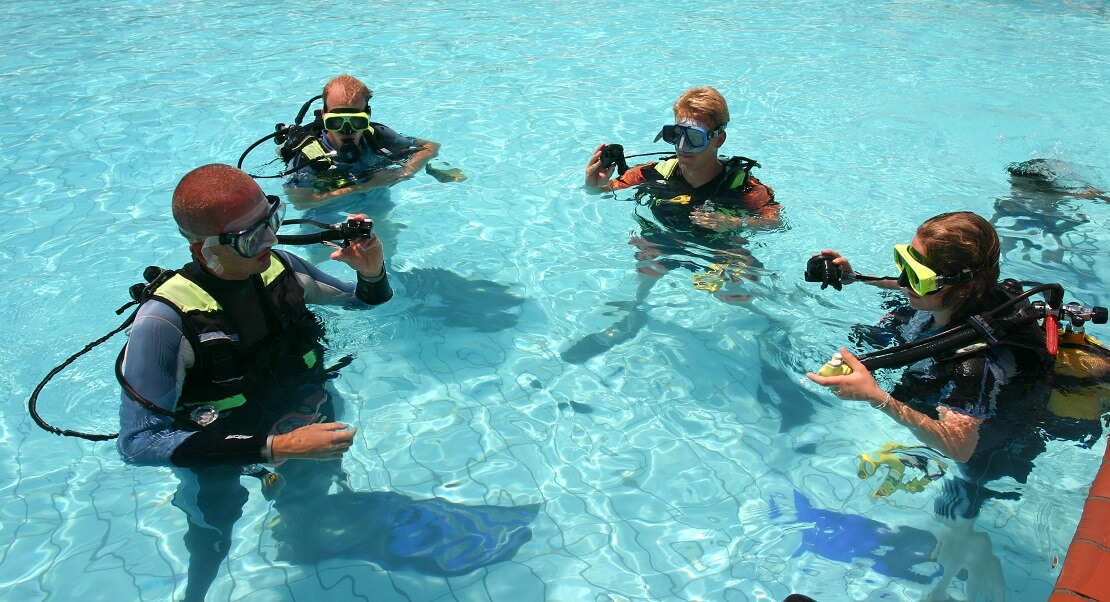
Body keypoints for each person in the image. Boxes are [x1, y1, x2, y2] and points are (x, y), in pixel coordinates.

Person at [117, 165, 534, 601]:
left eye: (271, 220)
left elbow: (362, 305)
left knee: (314, 494)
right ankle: (196, 593)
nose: (271, 241)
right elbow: (139, 442)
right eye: (249, 237)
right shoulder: (164, 325)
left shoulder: (281, 268)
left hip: (303, 416)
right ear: (203, 251)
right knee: (214, 527)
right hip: (219, 444)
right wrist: (276, 448)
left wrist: (371, 273)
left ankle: (302, 536)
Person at [806, 211, 1054, 600]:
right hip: (943, 369)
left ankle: (969, 547)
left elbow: (960, 447)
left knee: (948, 515)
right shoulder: (966, 295)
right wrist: (855, 277)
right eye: (904, 261)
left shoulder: (976, 364)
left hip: (987, 453)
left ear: (960, 285)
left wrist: (878, 398)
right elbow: (916, 285)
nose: (902, 280)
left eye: (914, 274)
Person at [563, 86, 780, 364]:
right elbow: (606, 189)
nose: (682, 146)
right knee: (647, 264)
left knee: (743, 291)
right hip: (666, 241)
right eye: (675, 134)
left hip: (720, 246)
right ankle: (635, 311)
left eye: (694, 137)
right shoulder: (653, 172)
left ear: (718, 140)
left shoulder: (744, 187)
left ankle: (769, 329)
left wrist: (733, 222)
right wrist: (593, 185)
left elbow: (773, 222)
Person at [283, 74, 441, 206]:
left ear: (368, 117)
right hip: (326, 206)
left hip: (372, 194)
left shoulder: (376, 136)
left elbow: (430, 146)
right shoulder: (308, 157)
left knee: (382, 209)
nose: (347, 130)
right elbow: (301, 202)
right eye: (336, 122)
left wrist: (406, 171)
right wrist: (366, 185)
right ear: (324, 116)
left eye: (357, 121)